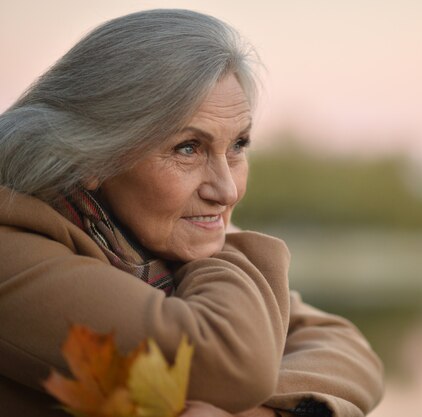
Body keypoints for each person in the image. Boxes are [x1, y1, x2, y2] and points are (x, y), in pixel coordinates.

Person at [0, 9, 384, 417]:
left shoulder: (145, 236)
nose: (227, 189)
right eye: (188, 147)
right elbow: (231, 362)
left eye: (238, 145)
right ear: (92, 156)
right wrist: (221, 247)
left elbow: (346, 347)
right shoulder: (12, 250)